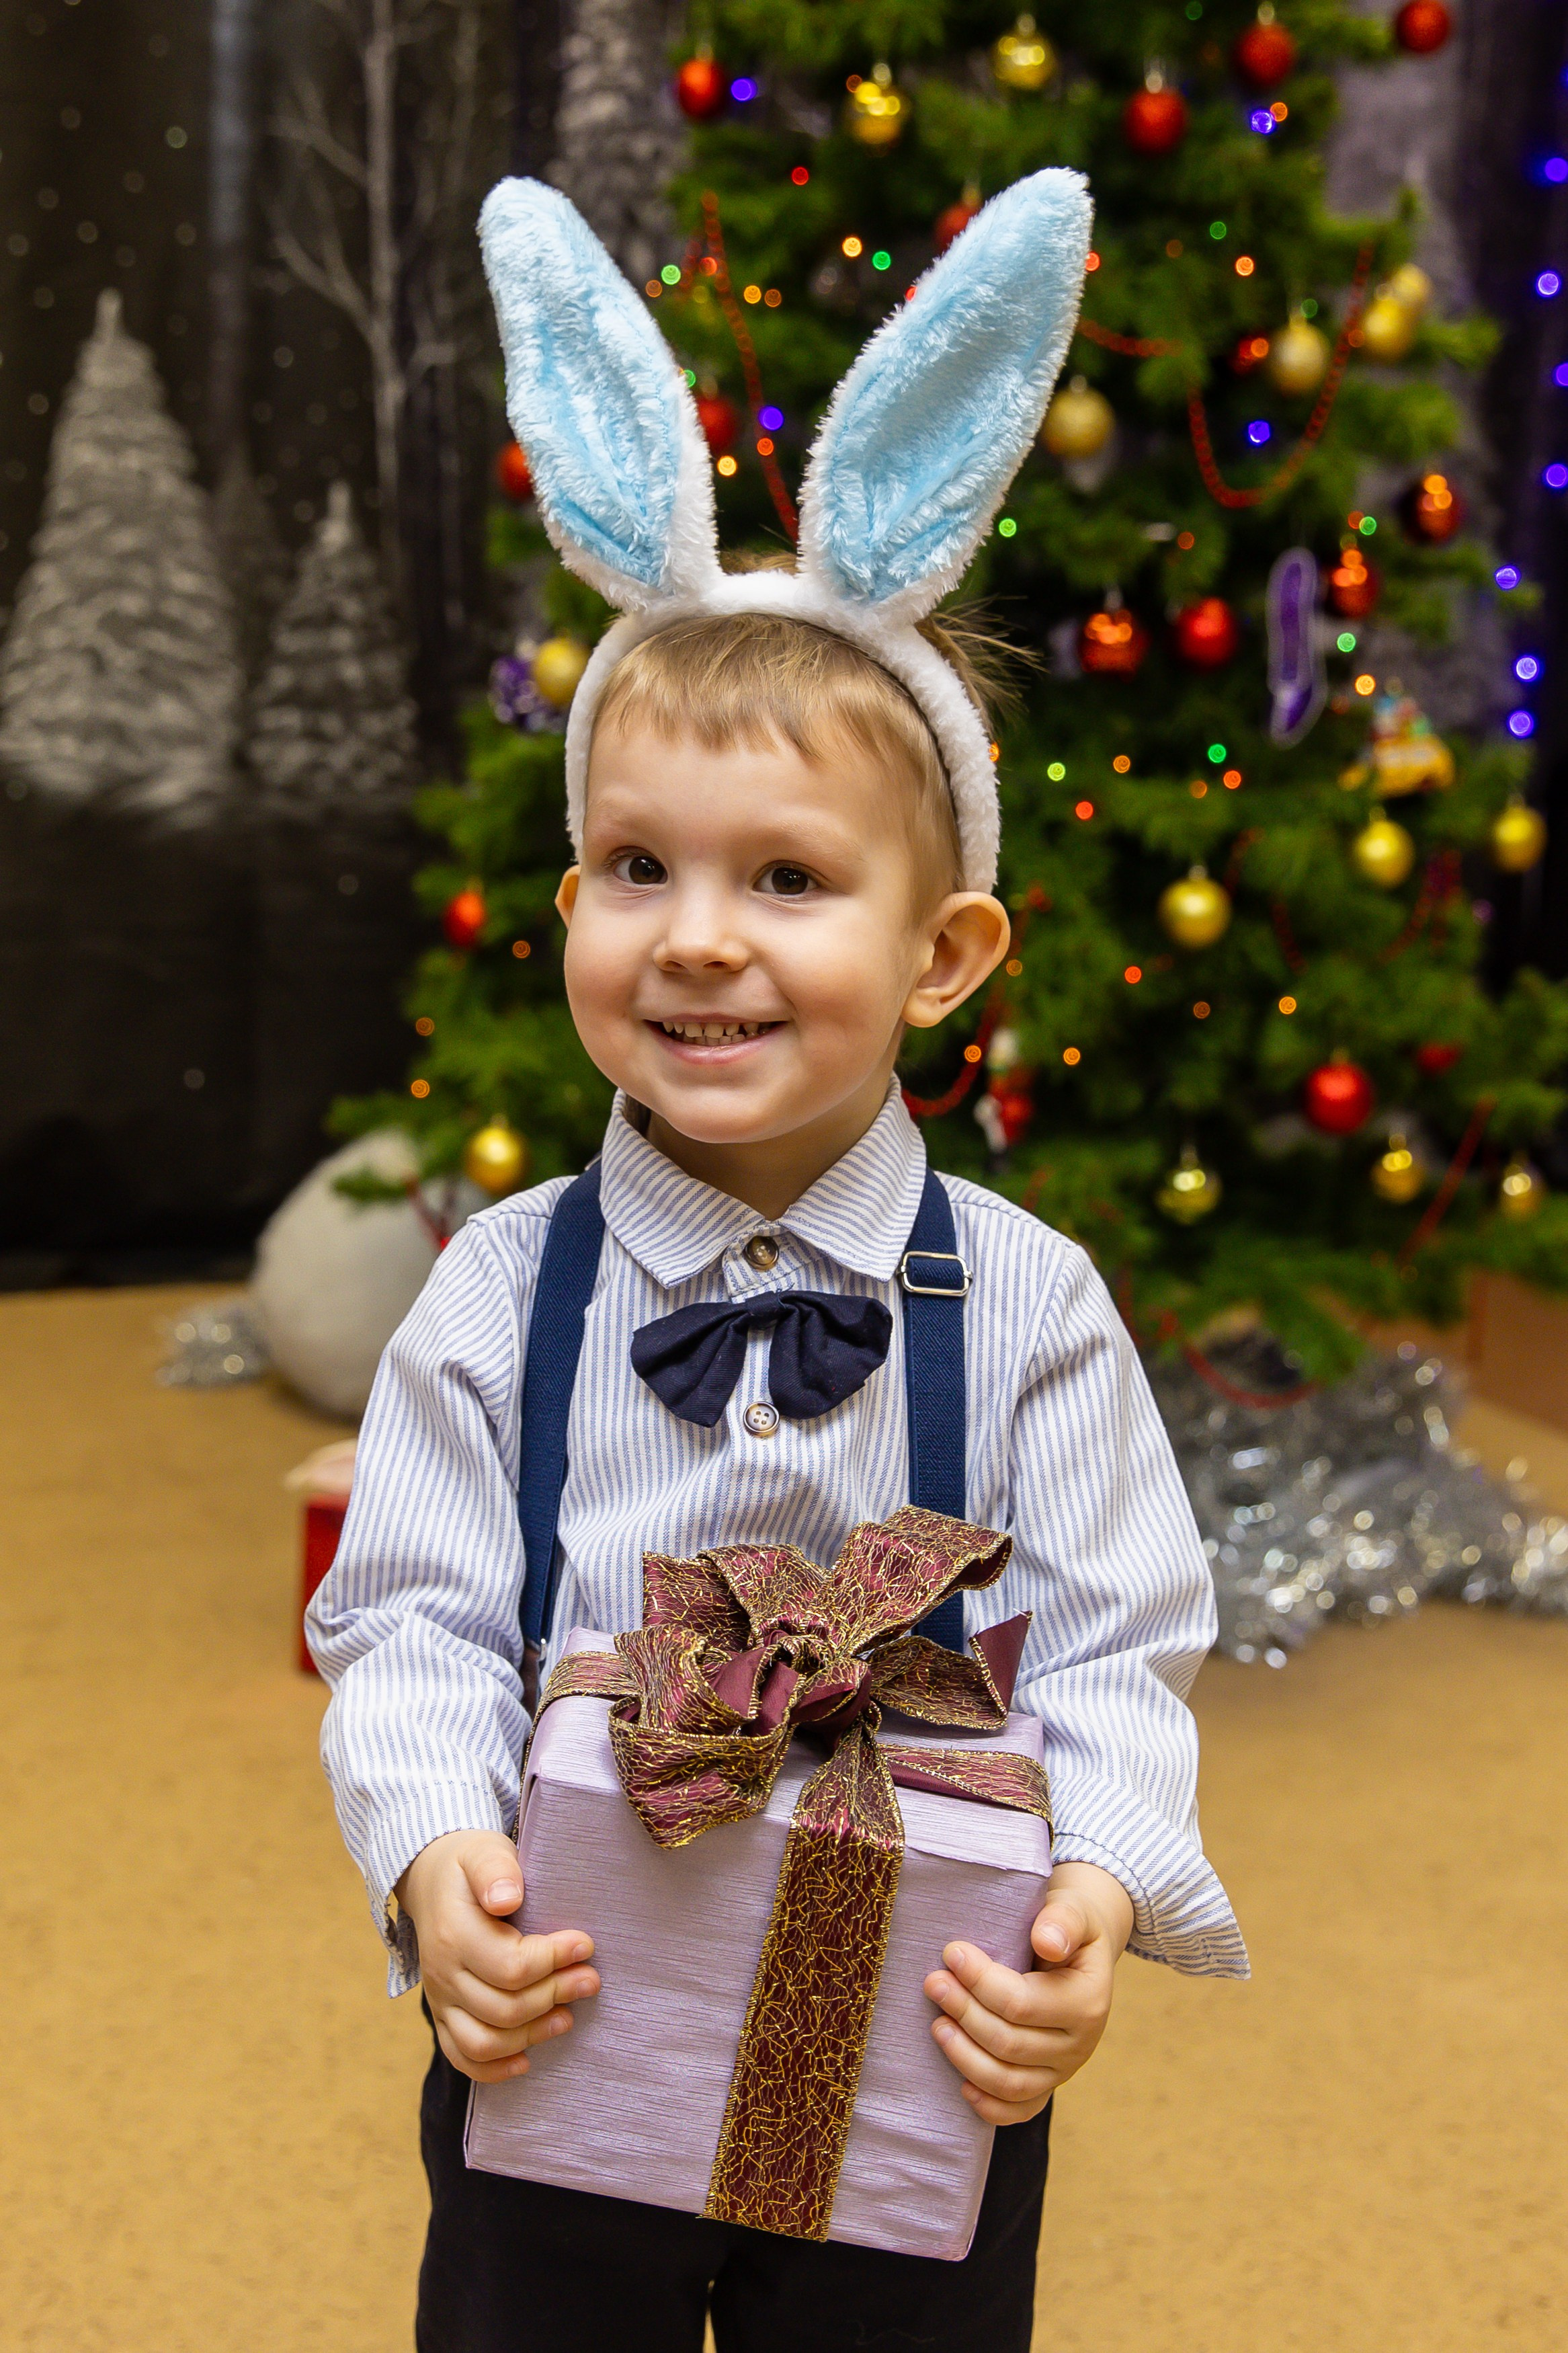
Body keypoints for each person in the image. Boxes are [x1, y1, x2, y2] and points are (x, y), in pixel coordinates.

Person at [308, 170, 1246, 2353]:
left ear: (944, 954)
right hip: (568, 2010)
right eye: (636, 864)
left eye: (789, 877)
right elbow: (414, 1616)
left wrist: (1094, 1884)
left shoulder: (1023, 1304)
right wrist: (436, 1858)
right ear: (566, 917)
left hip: (904, 2010)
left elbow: (1117, 1633)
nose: (702, 933)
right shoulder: (504, 1290)